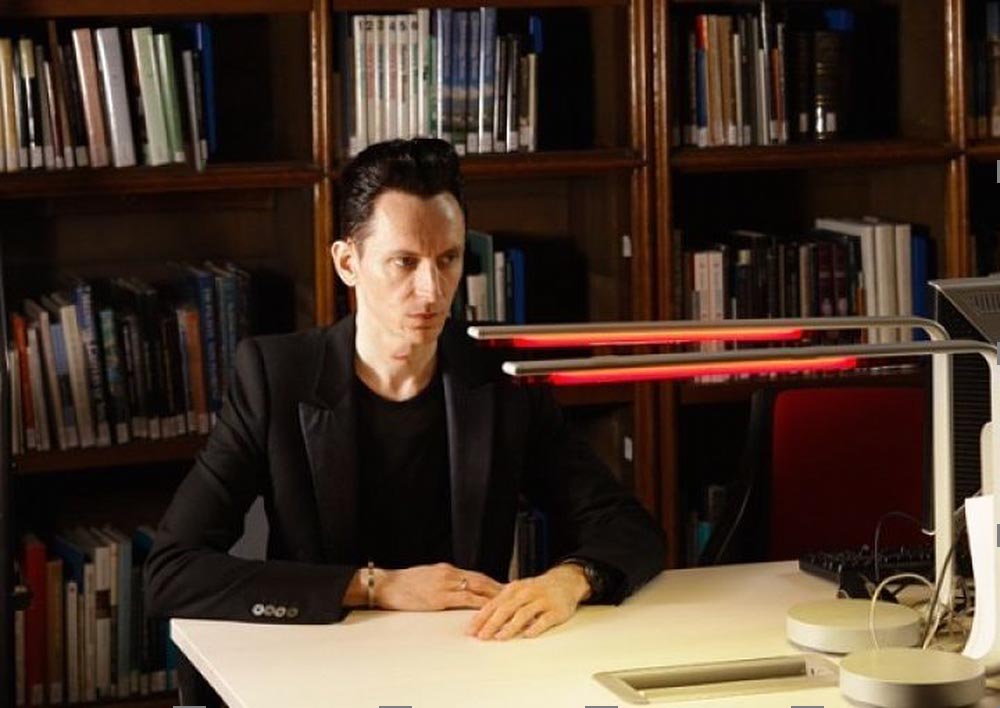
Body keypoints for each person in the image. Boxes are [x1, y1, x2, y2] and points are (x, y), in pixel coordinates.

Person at [145, 138, 665, 691]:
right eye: (404, 262)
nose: (432, 290)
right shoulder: (275, 378)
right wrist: (378, 586)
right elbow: (171, 571)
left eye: (449, 259)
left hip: (467, 667)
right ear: (348, 263)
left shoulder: (502, 378)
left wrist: (569, 580)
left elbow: (628, 528)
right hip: (321, 670)